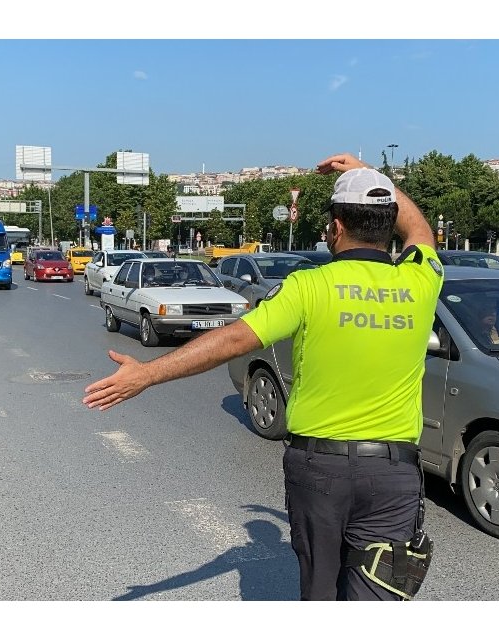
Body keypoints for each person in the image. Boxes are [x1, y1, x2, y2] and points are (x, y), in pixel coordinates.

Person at [83, 153, 443, 600]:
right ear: (388, 224)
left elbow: (234, 340)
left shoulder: (309, 286)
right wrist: (366, 171)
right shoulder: (422, 280)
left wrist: (147, 375)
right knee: (380, 593)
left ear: (334, 227)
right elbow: (420, 229)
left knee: (320, 591)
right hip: (394, 474)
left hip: (321, 470)